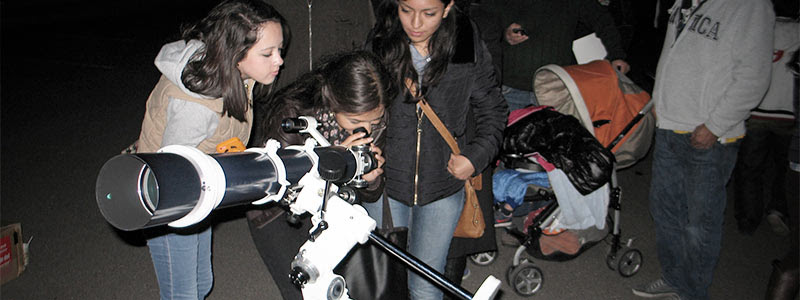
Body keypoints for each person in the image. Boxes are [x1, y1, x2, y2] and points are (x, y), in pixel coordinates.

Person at [134, 1, 286, 299]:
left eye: (279, 50)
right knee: (183, 294)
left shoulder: (236, 75)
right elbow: (172, 175)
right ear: (234, 52)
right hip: (169, 201)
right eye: (268, 53)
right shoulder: (196, 105)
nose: (279, 60)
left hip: (199, 189)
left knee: (202, 284)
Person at [363, 0, 508, 298]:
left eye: (428, 13)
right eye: (406, 10)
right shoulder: (381, 39)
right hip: (386, 186)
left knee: (425, 286)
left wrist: (476, 156)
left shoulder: (465, 42)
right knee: (385, 285)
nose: (415, 23)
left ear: (447, 8)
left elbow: (493, 109)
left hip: (443, 186)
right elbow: (358, 106)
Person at [632, 0, 774, 299]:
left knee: (699, 224)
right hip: (671, 126)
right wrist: (660, 102)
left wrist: (716, 125)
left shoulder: (751, 6)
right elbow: (672, 57)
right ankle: (674, 278)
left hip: (710, 135)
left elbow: (754, 76)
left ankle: (694, 292)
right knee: (665, 211)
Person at [246, 50, 395, 300]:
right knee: (301, 288)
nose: (367, 129)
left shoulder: (373, 117)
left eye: (375, 120)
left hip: (333, 207)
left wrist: (371, 179)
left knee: (336, 287)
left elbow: (371, 192)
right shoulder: (293, 112)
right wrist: (336, 160)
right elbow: (279, 188)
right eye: (356, 119)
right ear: (331, 99)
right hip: (279, 212)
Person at [488, 0, 630, 111]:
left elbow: (602, 19)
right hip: (511, 88)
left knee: (558, 145)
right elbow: (486, 26)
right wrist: (504, 35)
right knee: (509, 145)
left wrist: (617, 54)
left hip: (557, 88)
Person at [733, 12, 799, 236]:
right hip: (789, 112)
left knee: (750, 168)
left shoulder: (760, 27)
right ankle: (778, 209)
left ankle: (748, 218)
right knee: (784, 167)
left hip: (758, 109)